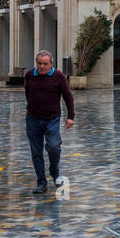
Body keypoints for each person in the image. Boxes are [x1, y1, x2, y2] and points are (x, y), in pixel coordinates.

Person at [23, 50, 75, 194]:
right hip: (33, 119)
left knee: (53, 147)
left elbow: (68, 97)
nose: (42, 66)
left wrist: (71, 116)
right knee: (36, 152)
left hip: (52, 119)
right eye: (39, 63)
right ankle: (41, 181)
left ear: (51, 63)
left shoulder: (59, 76)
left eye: (45, 64)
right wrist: (30, 108)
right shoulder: (29, 75)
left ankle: (55, 171)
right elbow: (28, 93)